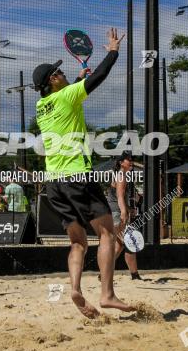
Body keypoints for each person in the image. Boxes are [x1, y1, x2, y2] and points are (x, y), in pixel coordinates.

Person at [32, 27, 133, 317]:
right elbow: (99, 77)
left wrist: (77, 80)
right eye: (59, 73)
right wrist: (112, 51)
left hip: (54, 183)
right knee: (107, 236)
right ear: (53, 79)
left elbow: (68, 96)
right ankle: (107, 294)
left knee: (77, 242)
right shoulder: (67, 97)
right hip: (77, 177)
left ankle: (75, 288)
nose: (63, 75)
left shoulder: (42, 105)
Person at [106, 151, 141, 280]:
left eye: (131, 159)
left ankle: (104, 273)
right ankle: (135, 275)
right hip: (116, 213)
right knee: (130, 242)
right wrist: (124, 212)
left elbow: (118, 198)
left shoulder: (121, 174)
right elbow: (120, 197)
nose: (131, 161)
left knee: (119, 245)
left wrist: (128, 208)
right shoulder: (121, 176)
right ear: (122, 163)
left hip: (115, 211)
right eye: (129, 160)